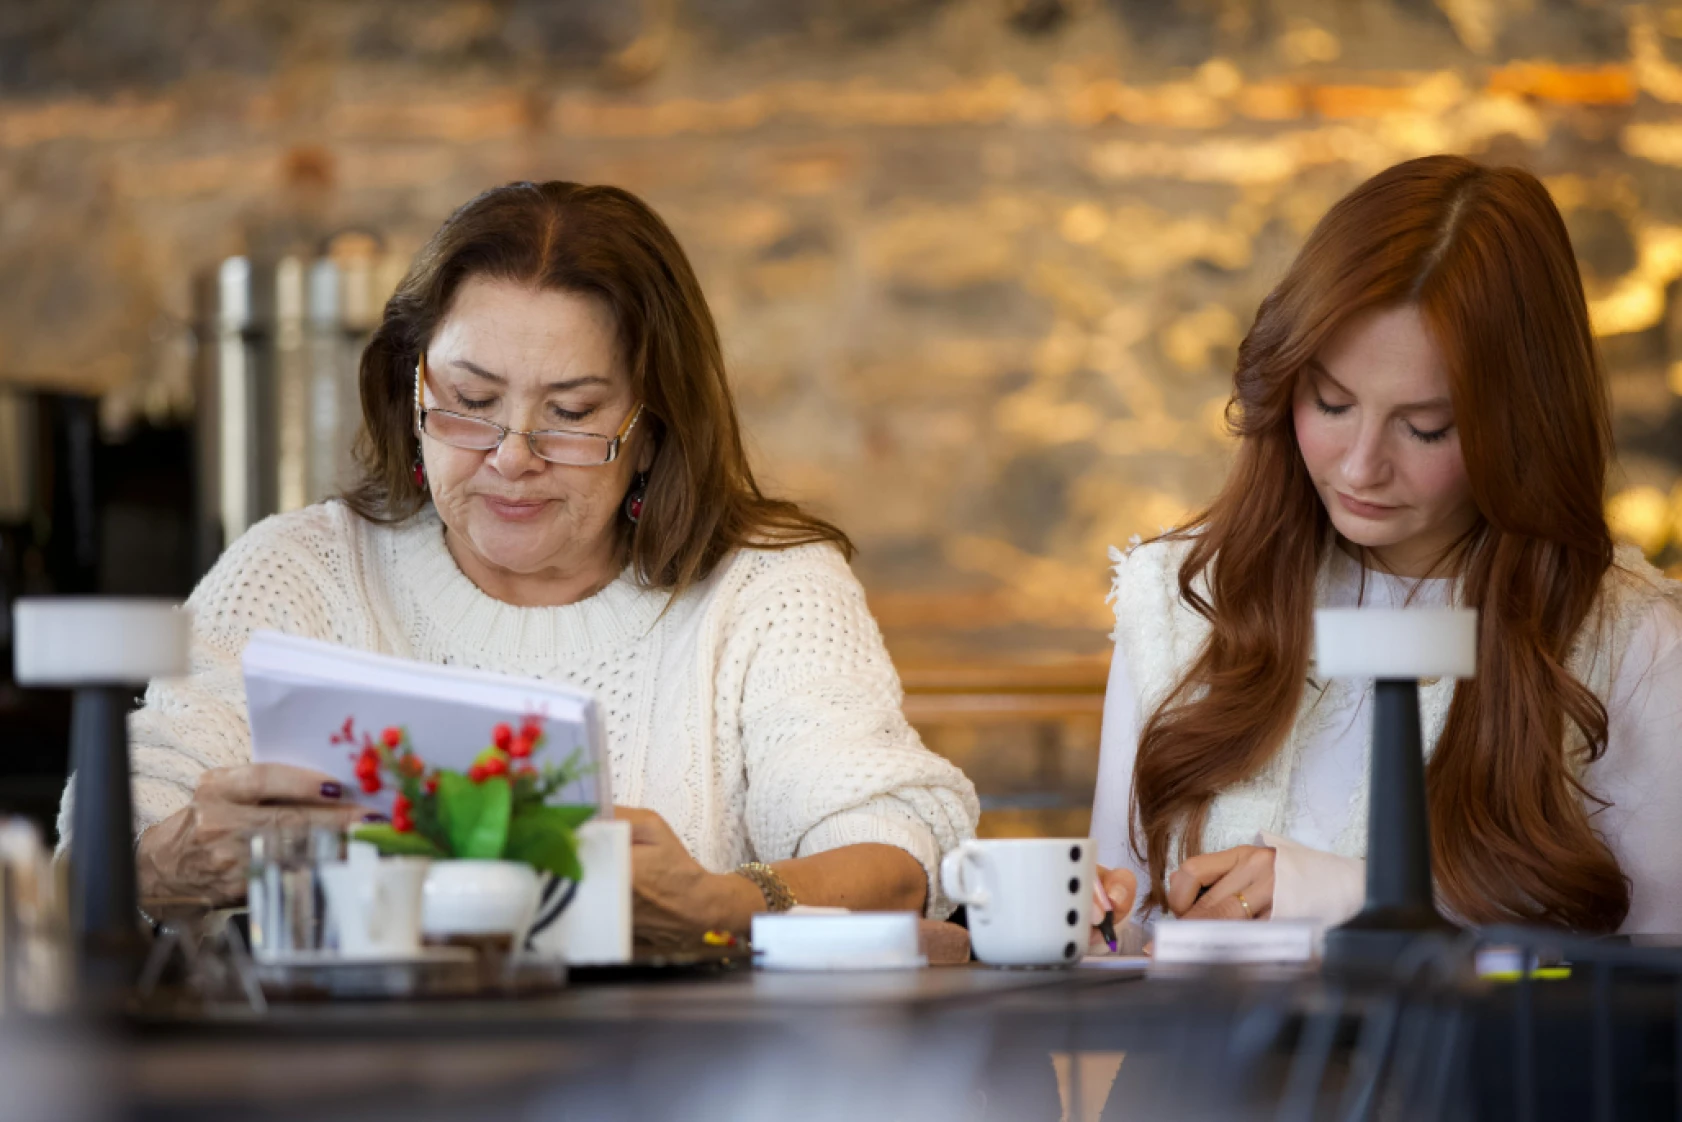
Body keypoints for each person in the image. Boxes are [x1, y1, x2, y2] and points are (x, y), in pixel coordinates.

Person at [59, 181, 979, 946]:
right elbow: (103, 840)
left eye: (572, 413)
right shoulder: (299, 570)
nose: (511, 454)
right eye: (469, 400)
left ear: (654, 429)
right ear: (409, 389)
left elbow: (893, 855)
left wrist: (714, 908)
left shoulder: (767, 588)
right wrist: (177, 859)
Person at [1089, 155, 1682, 936]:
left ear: (1522, 426)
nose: (1362, 465)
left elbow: (1652, 991)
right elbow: (1118, 931)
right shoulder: (1182, 595)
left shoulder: (1627, 640)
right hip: (1192, 1060)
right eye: (1331, 403)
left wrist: (1336, 896)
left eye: (1425, 426)